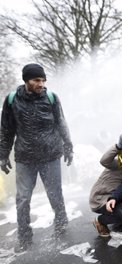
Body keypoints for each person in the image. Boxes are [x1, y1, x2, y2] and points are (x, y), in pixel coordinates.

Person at [0, 63, 73, 252]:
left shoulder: (51, 98)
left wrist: (68, 146)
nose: (41, 84)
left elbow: (61, 122)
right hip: (25, 158)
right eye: (36, 80)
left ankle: (62, 224)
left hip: (51, 155)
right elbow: (6, 130)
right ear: (26, 81)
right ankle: (24, 235)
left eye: (43, 80)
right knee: (23, 198)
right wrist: (3, 154)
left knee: (55, 193)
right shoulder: (11, 100)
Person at [90, 132, 122, 237]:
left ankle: (120, 217)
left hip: (115, 197)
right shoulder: (120, 163)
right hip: (101, 197)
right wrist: (118, 146)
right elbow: (104, 161)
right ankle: (100, 221)